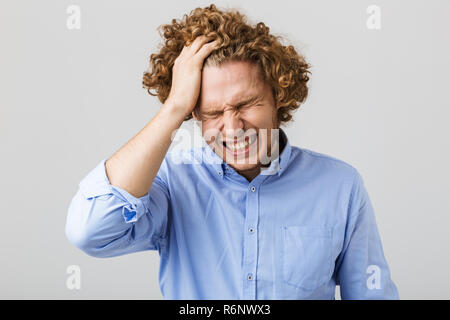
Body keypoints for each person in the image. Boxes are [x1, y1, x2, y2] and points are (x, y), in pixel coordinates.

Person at [65, 4, 399, 299]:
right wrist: (173, 108)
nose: (233, 127)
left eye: (246, 104)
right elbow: (90, 232)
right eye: (211, 113)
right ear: (193, 115)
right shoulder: (171, 182)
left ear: (278, 96)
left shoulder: (340, 186)